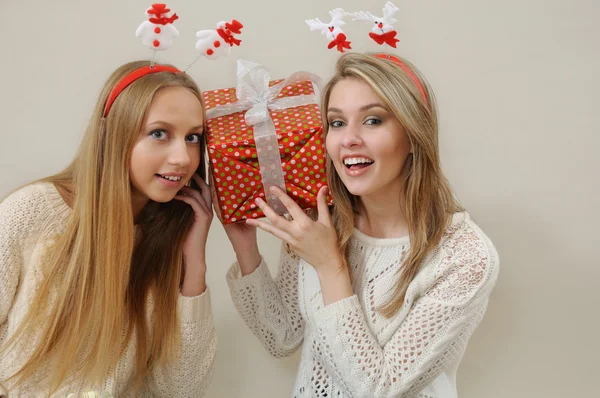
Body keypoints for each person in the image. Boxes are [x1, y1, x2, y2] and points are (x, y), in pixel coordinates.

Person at [223, 52, 499, 397]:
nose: (348, 139)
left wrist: (330, 266)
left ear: (414, 135)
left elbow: (378, 390)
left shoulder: (464, 256)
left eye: (372, 121)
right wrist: (244, 244)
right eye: (337, 123)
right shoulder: (319, 221)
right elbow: (282, 336)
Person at [0, 60, 216, 397]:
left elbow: (181, 387)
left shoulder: (168, 237)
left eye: (192, 137)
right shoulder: (32, 212)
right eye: (159, 133)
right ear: (114, 133)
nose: (183, 158)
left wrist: (195, 262)